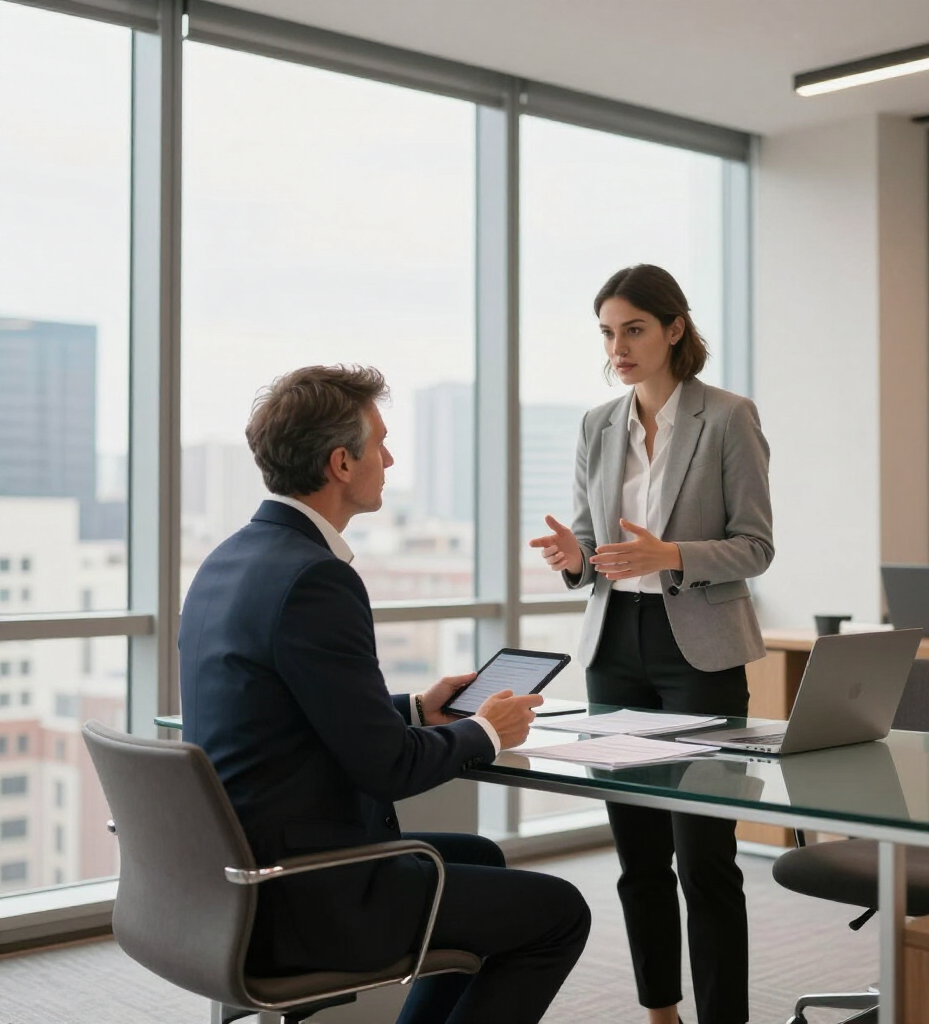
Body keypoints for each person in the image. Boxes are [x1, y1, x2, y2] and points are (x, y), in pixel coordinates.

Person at [179, 364, 590, 1024]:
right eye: (381, 443)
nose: (391, 459)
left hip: (233, 878)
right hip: (305, 894)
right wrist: (485, 730)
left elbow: (295, 713)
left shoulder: (229, 560)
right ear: (342, 462)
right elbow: (387, 769)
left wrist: (415, 711)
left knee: (480, 857)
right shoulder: (316, 579)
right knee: (558, 914)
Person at [529, 265, 773, 1024]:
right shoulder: (597, 424)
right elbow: (598, 542)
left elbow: (756, 547)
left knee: (705, 857)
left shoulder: (728, 417)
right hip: (616, 648)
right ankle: (659, 1010)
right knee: (638, 855)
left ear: (673, 328)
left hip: (698, 651)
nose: (618, 346)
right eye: (607, 332)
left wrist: (669, 554)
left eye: (633, 328)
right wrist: (577, 558)